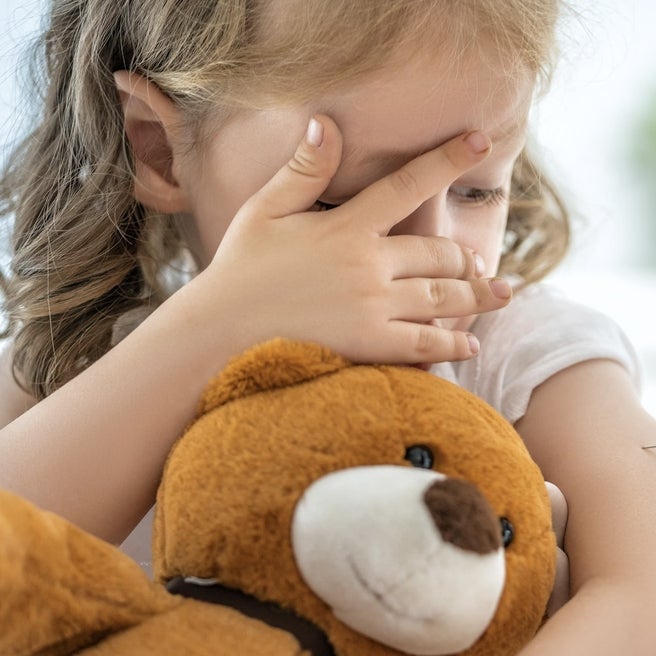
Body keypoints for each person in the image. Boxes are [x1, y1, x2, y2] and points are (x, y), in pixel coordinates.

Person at [0, 0, 654, 652]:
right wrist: (214, 328)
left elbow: (641, 591)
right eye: (342, 202)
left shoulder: (520, 352)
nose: (435, 250)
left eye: (476, 191)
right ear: (160, 151)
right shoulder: (78, 356)